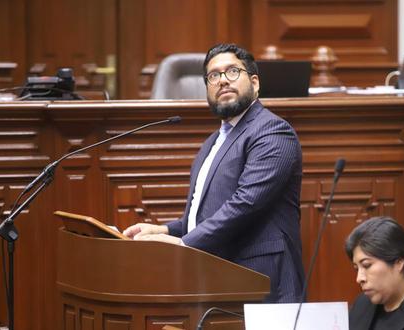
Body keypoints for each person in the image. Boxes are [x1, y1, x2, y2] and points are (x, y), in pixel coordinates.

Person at [123, 43, 305, 303]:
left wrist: (184, 244)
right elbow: (204, 216)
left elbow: (246, 203)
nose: (222, 81)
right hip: (223, 279)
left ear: (255, 83)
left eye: (232, 72)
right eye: (213, 76)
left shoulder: (272, 131)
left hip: (264, 281)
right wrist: (163, 230)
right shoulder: (213, 142)